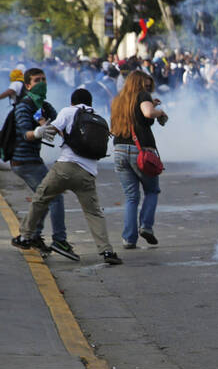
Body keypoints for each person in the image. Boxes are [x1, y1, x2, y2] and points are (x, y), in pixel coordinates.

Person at [10, 89, 122, 265]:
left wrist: (40, 124)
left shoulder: (68, 111)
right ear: (89, 103)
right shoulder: (99, 118)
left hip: (65, 167)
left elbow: (51, 131)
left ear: (72, 102)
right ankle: (107, 251)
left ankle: (25, 237)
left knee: (41, 198)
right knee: (93, 212)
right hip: (88, 173)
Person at [10, 68, 77, 259]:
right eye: (37, 80)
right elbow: (24, 133)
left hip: (33, 160)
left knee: (44, 198)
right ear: (28, 85)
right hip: (23, 162)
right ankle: (59, 240)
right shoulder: (24, 105)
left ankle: (32, 237)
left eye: (44, 79)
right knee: (54, 196)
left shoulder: (44, 106)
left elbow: (59, 125)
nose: (42, 83)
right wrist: (38, 132)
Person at [110, 71, 168, 249]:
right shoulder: (142, 95)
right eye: (147, 86)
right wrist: (160, 112)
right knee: (151, 191)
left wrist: (151, 103)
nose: (148, 89)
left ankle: (129, 238)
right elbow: (148, 113)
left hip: (119, 150)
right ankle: (146, 227)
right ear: (140, 84)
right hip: (140, 151)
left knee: (131, 197)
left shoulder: (118, 100)